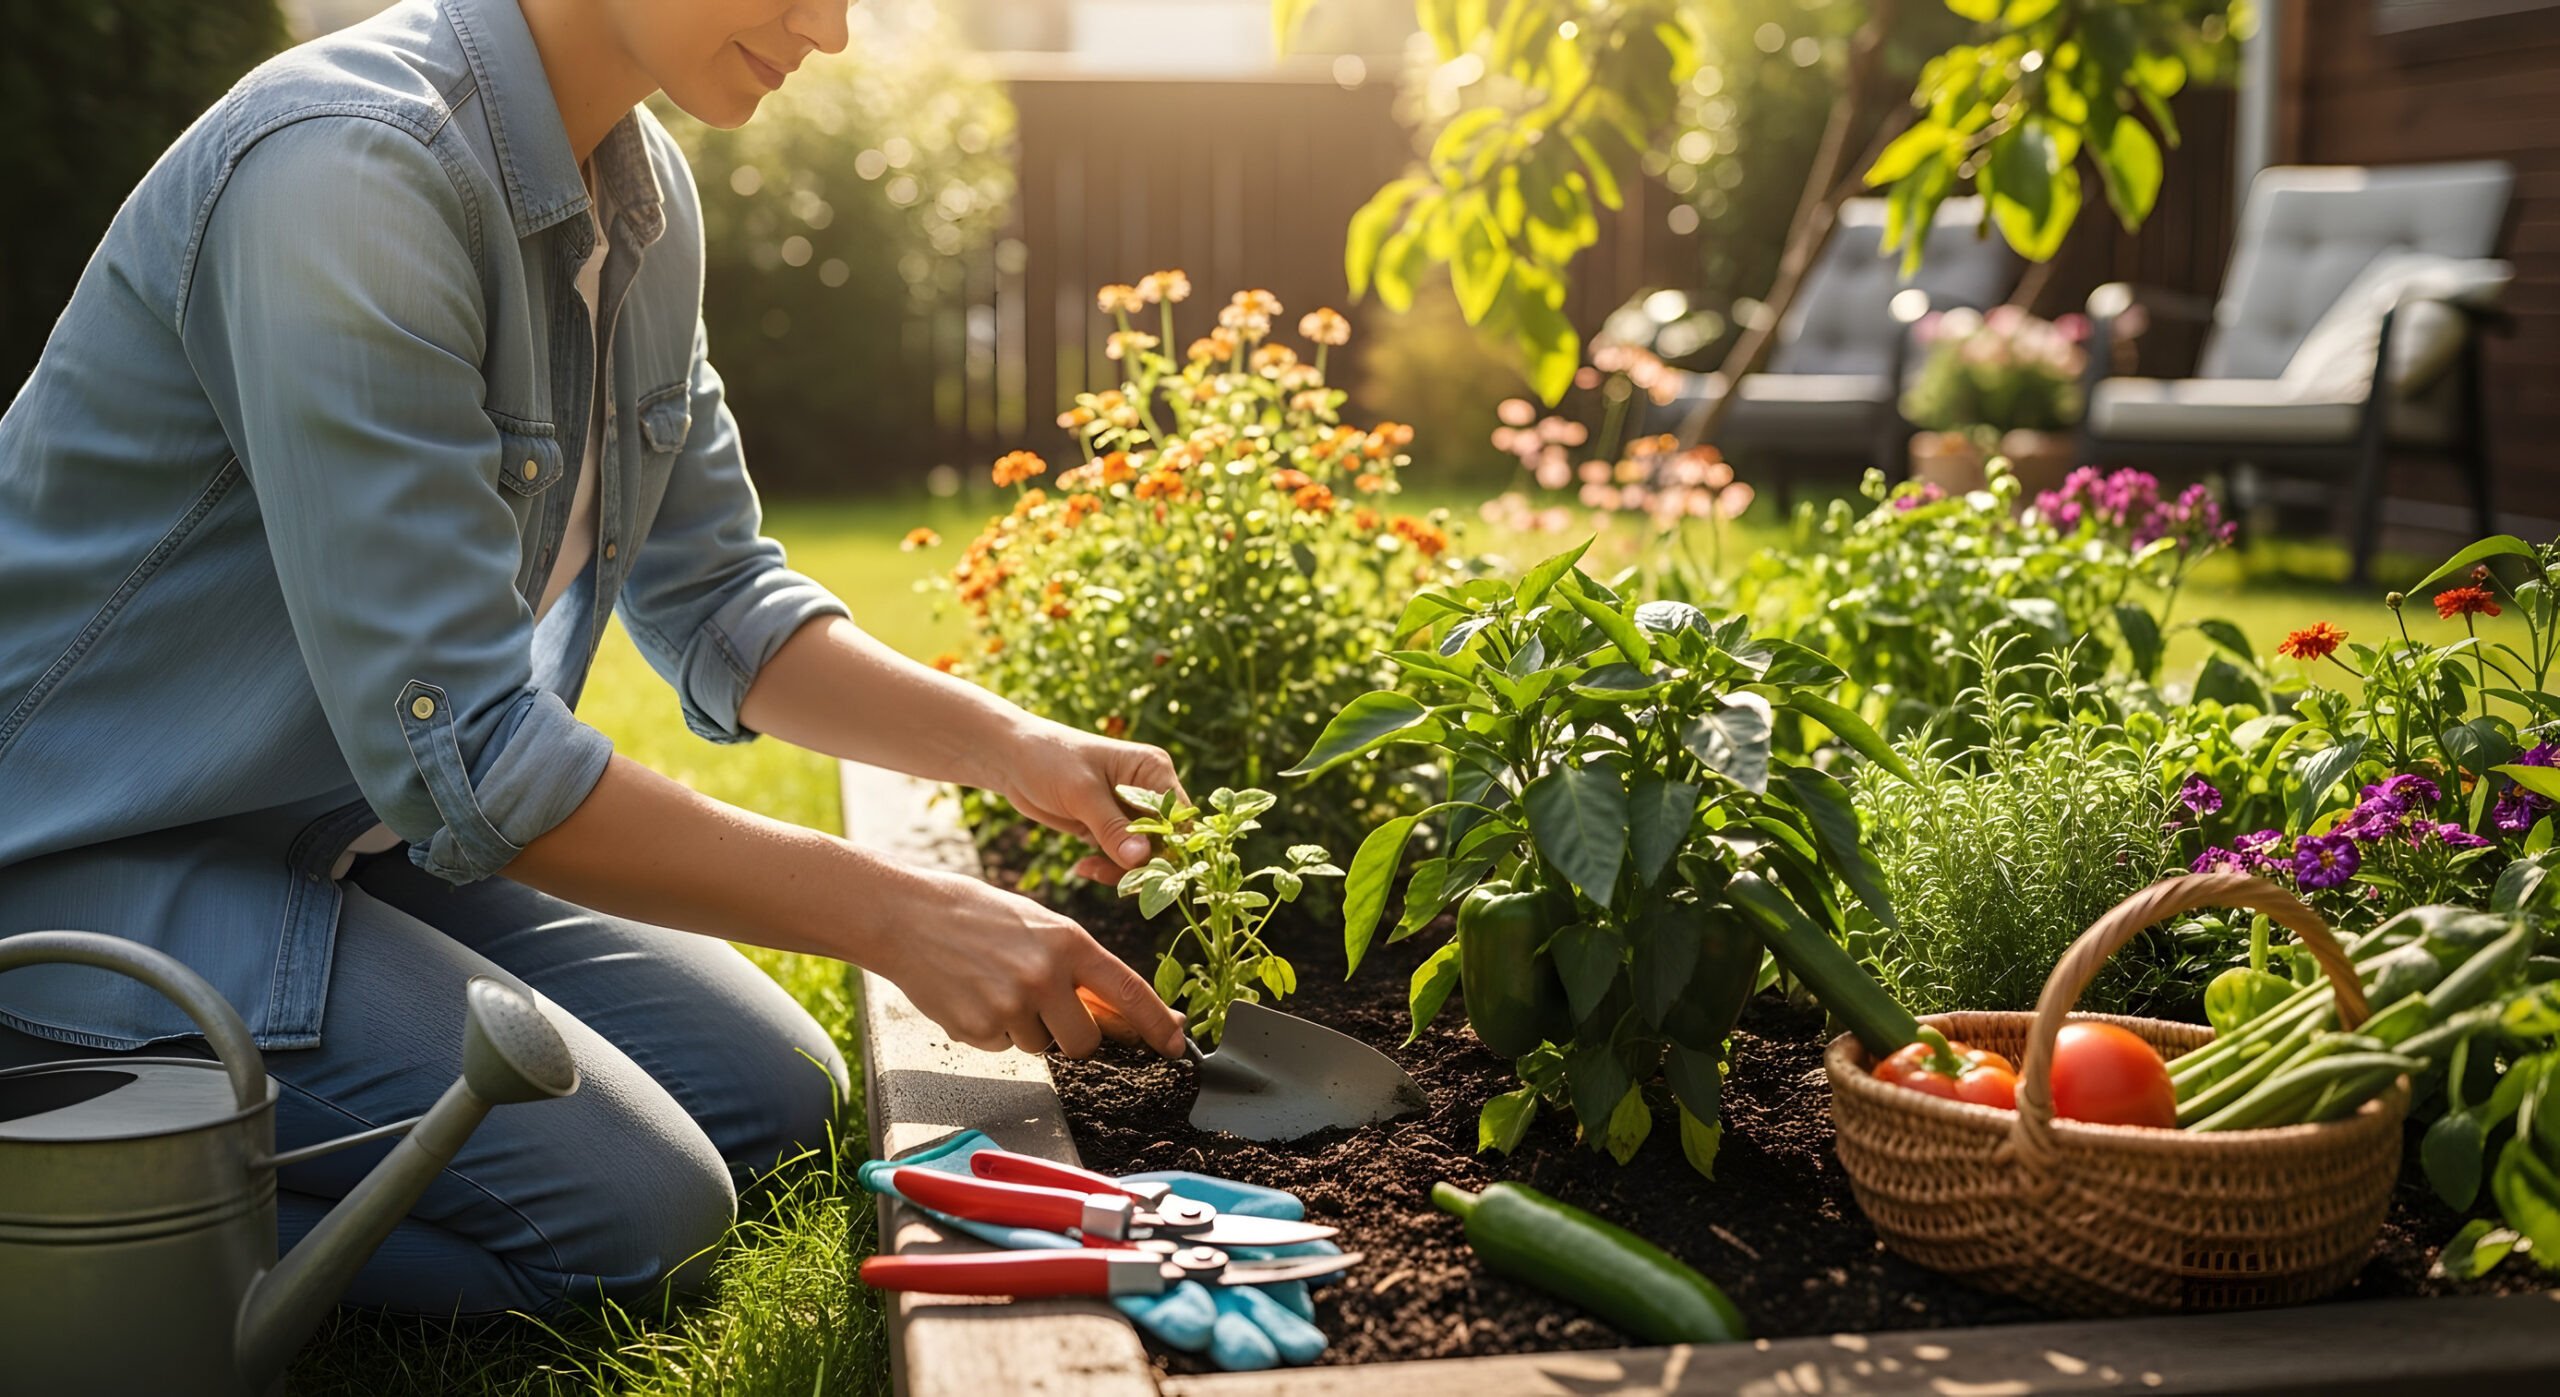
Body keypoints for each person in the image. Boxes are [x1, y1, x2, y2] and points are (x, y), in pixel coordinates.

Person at [0, 0, 1185, 1316]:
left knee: (771, 1098)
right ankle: (63, 1208)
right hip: (87, 865)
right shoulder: (348, 176)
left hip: (325, 831)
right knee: (643, 1221)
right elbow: (475, 759)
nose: (836, 30)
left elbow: (718, 588)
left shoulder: (634, 188)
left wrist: (1009, 746)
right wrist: (903, 914)